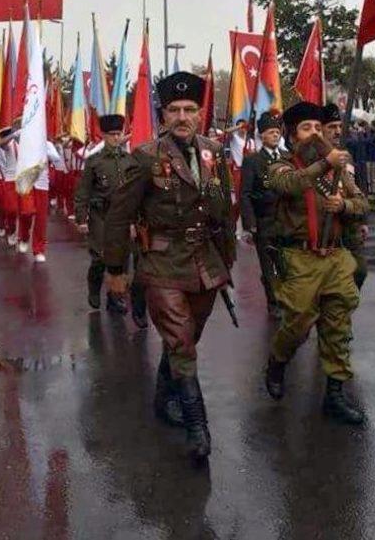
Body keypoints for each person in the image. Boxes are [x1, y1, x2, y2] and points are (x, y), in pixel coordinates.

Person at [103, 72, 235, 464]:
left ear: (200, 113)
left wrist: (226, 261)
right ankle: (199, 427)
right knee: (180, 339)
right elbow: (117, 216)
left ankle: (163, 400)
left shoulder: (215, 152)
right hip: (161, 260)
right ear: (163, 115)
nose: (182, 116)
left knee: (186, 338)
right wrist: (115, 269)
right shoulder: (144, 157)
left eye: (190, 109)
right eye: (174, 110)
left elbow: (225, 212)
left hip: (205, 263)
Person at [264, 100, 368, 425]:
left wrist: (345, 206)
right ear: (292, 135)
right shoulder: (281, 165)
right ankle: (278, 361)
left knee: (338, 326)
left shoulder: (337, 170)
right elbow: (288, 185)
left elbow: (362, 203)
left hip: (335, 256)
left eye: (318, 128)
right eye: (306, 129)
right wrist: (325, 164)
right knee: (297, 322)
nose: (315, 134)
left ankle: (335, 395)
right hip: (300, 257)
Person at [75, 115, 139, 318]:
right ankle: (94, 287)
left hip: (123, 219)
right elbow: (83, 192)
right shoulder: (94, 162)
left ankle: (115, 296)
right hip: (101, 217)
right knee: (100, 258)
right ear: (104, 135)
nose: (116, 138)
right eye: (112, 135)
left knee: (121, 259)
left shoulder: (129, 161)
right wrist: (81, 219)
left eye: (119, 134)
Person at [240, 112, 283, 316]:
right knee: (267, 265)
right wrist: (250, 223)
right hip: (264, 220)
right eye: (271, 132)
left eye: (277, 132)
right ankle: (273, 302)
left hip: (285, 220)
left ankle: (285, 298)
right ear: (262, 136)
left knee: (285, 263)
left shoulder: (286, 158)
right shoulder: (253, 161)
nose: (275, 135)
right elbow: (246, 194)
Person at [322, 103, 369, 290]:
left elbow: (358, 191)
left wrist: (363, 221)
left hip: (349, 226)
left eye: (339, 126)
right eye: (331, 127)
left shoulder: (346, 157)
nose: (337, 131)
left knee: (359, 271)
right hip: (327, 231)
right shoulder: (316, 159)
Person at [17, 138, 64, 263]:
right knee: (26, 212)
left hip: (42, 184)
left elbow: (56, 158)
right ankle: (24, 237)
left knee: (41, 218)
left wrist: (44, 150)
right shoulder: (23, 138)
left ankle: (39, 249)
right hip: (26, 181)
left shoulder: (47, 144)